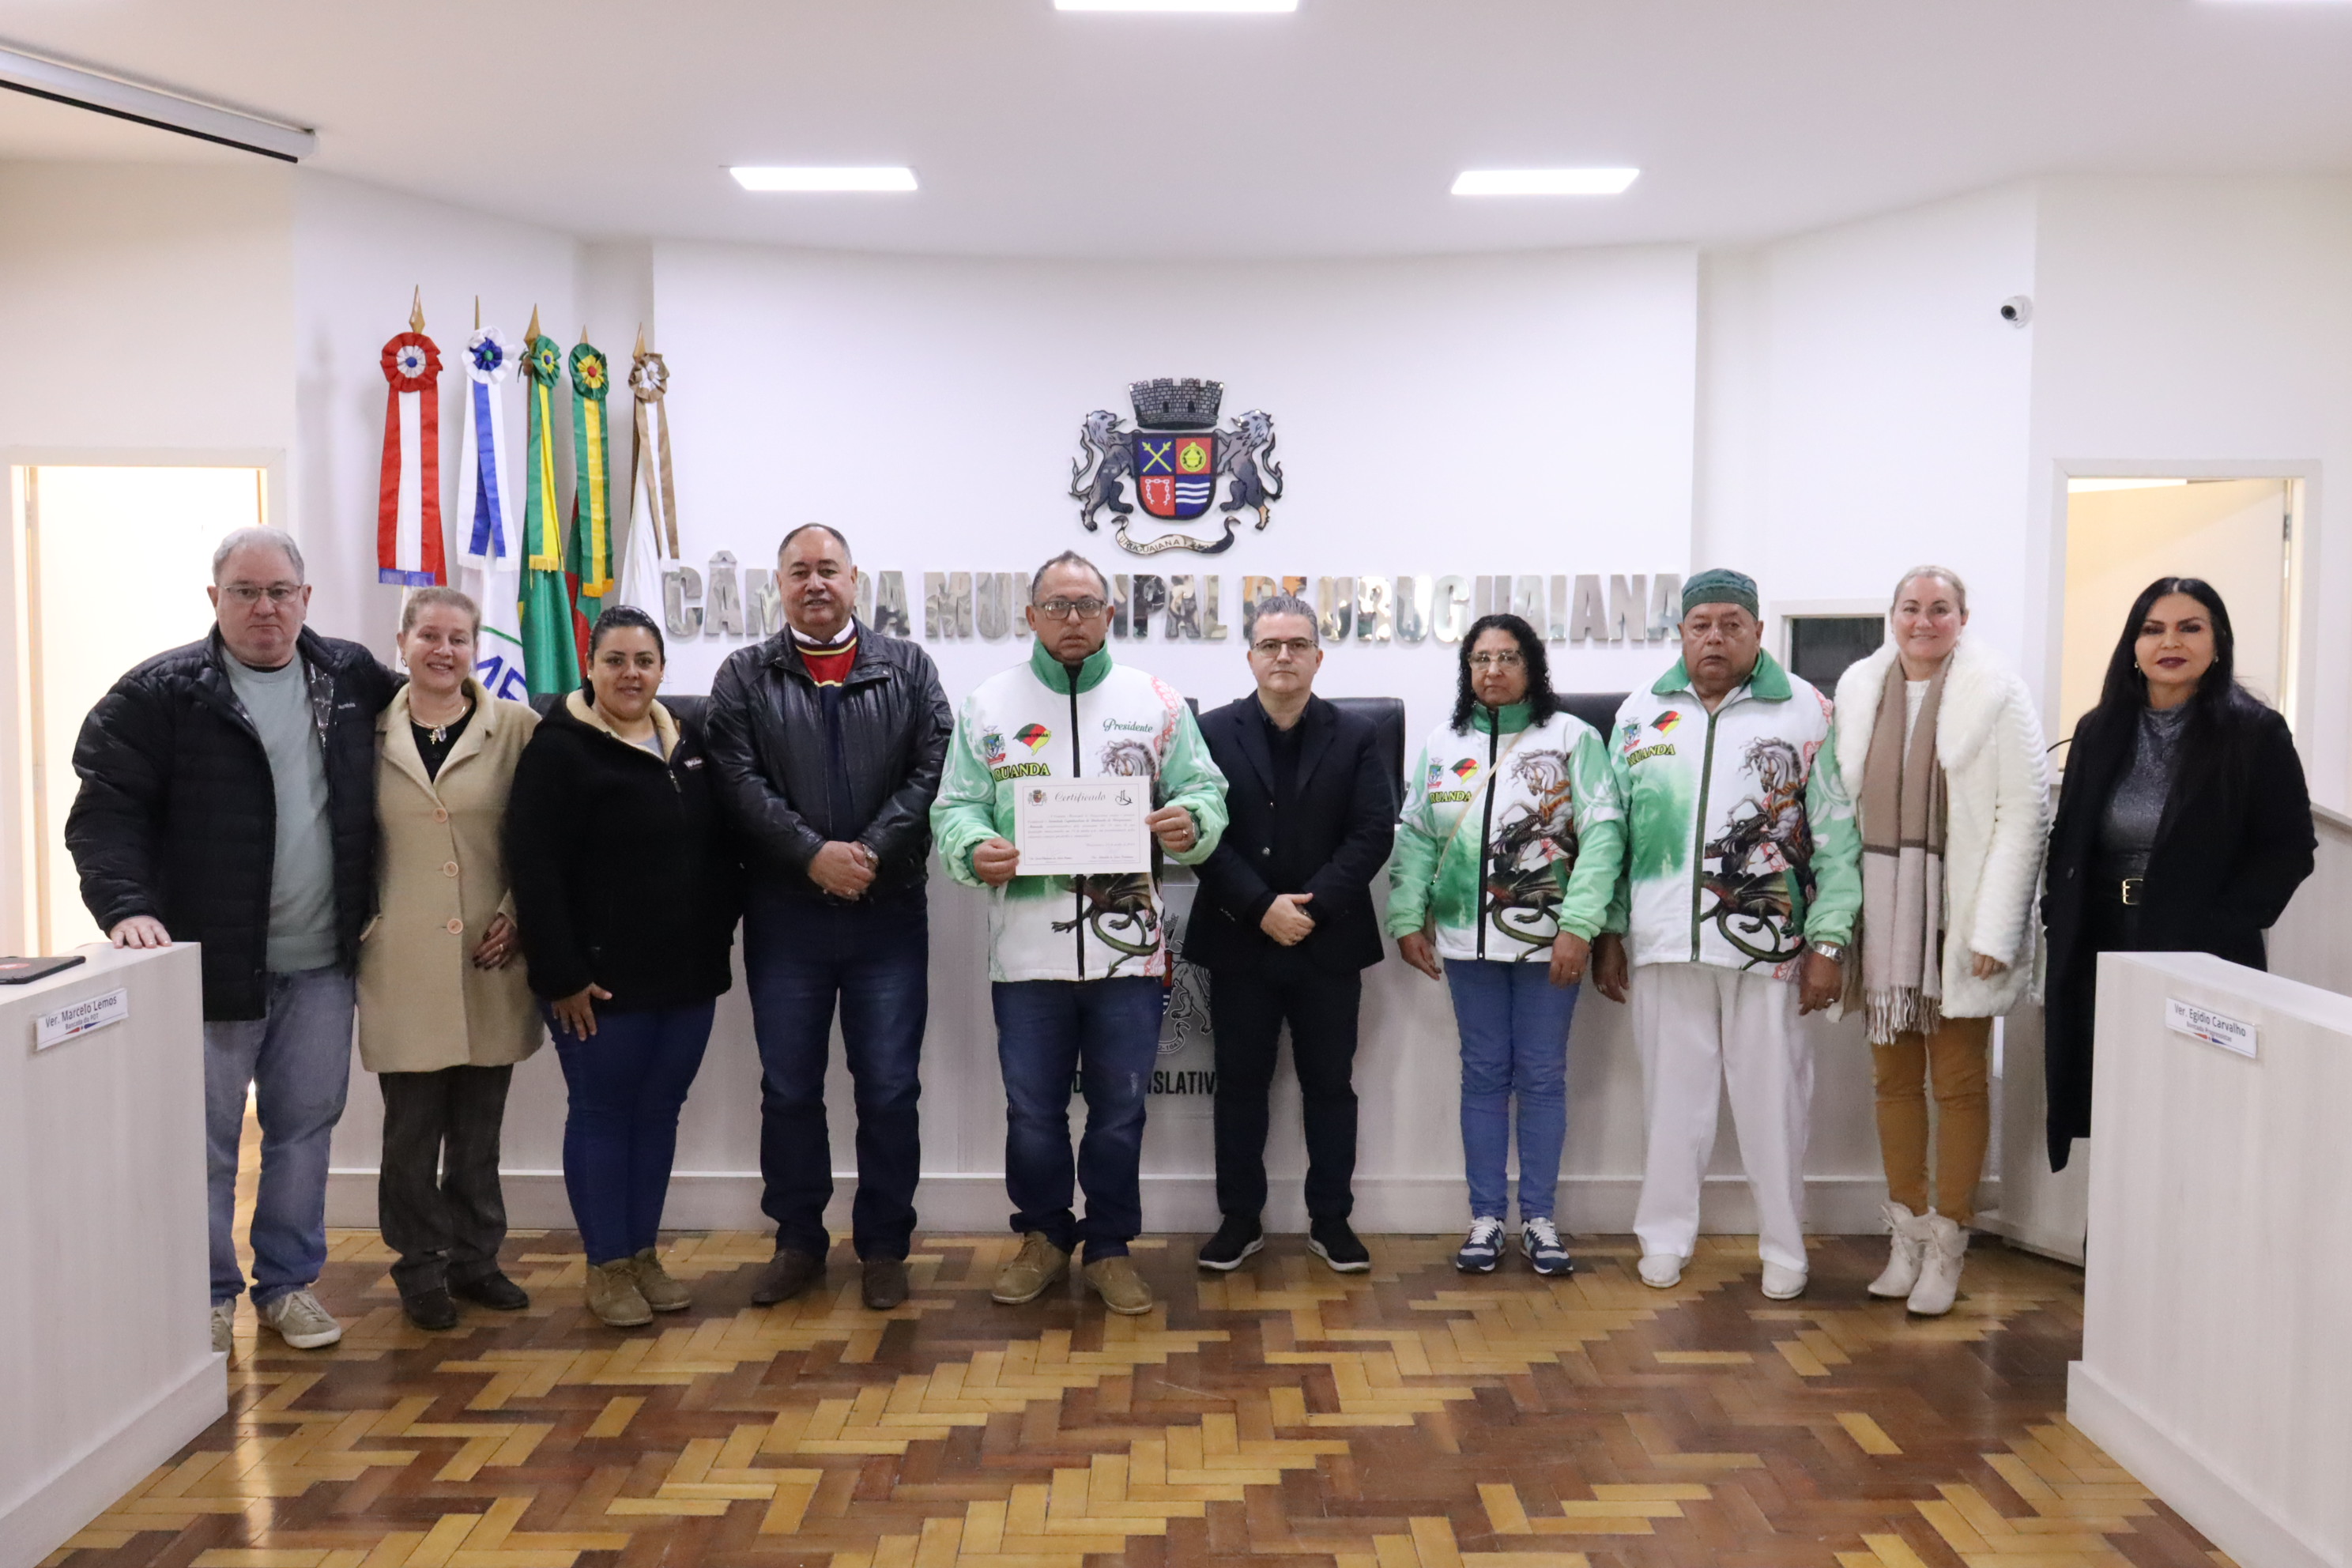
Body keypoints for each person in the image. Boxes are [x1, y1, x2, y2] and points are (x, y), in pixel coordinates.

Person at [66, 526, 396, 1355]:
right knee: (205, 1142)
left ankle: (287, 1285)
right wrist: (124, 906)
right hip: (209, 969)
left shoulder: (349, 676)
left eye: (280, 591)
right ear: (215, 598)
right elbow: (105, 813)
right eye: (245, 592)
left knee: (304, 1130)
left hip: (322, 965)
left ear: (306, 598)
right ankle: (207, 1294)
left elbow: (440, 716)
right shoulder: (159, 694)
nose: (264, 608)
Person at [930, 550, 1229, 1316]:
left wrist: (1191, 821)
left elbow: (1205, 789)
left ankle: (1110, 1247)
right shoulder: (989, 705)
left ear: (1109, 614)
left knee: (1120, 1111)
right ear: (1031, 616)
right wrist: (973, 847)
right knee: (1033, 1114)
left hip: (1129, 958)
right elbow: (955, 807)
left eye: (1087, 605)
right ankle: (1042, 1236)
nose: (1073, 619)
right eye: (1057, 606)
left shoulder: (1155, 702)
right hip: (1026, 956)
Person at [1590, 569, 1860, 1301]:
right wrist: (1611, 930)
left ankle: (1785, 1248)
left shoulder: (1808, 711)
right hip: (1663, 944)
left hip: (1771, 949)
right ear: (1681, 632)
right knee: (1671, 1109)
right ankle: (1664, 1238)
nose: (1715, 637)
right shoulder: (1641, 712)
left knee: (1775, 1108)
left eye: (1731, 624)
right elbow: (1615, 833)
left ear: (1758, 632)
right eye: (1701, 624)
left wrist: (1828, 943)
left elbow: (1838, 840)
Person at [706, 524, 953, 1313]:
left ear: (855, 580)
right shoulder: (744, 675)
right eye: (799, 571)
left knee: (890, 1089)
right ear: (778, 585)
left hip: (888, 915)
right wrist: (812, 854)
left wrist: (870, 850)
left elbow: (933, 768)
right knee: (788, 1089)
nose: (815, 583)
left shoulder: (909, 668)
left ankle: (884, 1246)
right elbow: (736, 780)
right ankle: (798, 1241)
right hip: (786, 917)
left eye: (828, 569)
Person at [507, 606, 741, 1329]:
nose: (630, 674)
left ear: (663, 669)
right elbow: (534, 870)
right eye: (615, 660)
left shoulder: (689, 743)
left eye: (644, 661)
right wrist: (562, 975)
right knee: (604, 1115)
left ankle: (642, 1254)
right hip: (597, 986)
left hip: (687, 979)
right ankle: (606, 1264)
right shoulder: (557, 750)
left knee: (658, 1114)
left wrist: (718, 936)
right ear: (591, 667)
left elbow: (720, 852)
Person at [1830, 567, 2049, 1317]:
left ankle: (1949, 1242)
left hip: (1959, 924)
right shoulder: (1861, 689)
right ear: (1891, 615)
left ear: (1963, 617)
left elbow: (2026, 815)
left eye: (1941, 609)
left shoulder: (1998, 692)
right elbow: (1841, 810)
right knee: (1891, 1084)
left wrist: (1997, 927)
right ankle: (1907, 1237)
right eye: (1911, 608)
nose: (1924, 621)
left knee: (1958, 1086)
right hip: (1885, 927)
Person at [2042, 577, 2313, 1172]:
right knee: (2113, 1102)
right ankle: (2116, 1230)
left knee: (2196, 1108)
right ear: (2133, 646)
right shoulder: (2098, 729)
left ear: (2218, 643)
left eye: (2190, 628)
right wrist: (2054, 917)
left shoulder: (2256, 733)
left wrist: (2222, 923)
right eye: (2153, 629)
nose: (2171, 642)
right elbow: (2068, 840)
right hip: (2100, 946)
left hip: (2202, 950)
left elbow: (2290, 849)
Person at [1388, 613, 1623, 1278]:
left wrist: (1580, 926)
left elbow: (1603, 837)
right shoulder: (1443, 744)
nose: (1493, 670)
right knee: (1484, 1075)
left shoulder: (1573, 739)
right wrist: (1406, 917)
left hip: (1552, 945)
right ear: (1467, 669)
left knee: (1543, 1076)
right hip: (1467, 943)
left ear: (1532, 666)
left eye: (1508, 657)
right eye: (1480, 659)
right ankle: (1487, 1218)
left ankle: (1541, 1219)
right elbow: (1417, 836)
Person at [1187, 595, 1395, 1275]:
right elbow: (1200, 835)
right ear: (1250, 656)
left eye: (1297, 645)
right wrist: (1260, 907)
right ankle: (1239, 1219)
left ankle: (1331, 1220)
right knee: (1239, 1086)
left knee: (1330, 1086)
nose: (1284, 656)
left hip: (1328, 942)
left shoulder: (1357, 734)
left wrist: (1311, 908)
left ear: (1318, 657)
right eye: (1271, 645)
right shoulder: (1209, 732)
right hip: (1238, 937)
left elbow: (1373, 832)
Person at [356, 587, 542, 1332]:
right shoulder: (365, 730)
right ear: (402, 642)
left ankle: (476, 1259)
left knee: (478, 1132)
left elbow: (545, 833)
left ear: (476, 648)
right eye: (429, 635)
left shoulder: (518, 728)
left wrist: (518, 914)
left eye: (458, 638)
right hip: (400, 958)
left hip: (490, 956)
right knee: (410, 1133)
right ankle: (420, 1267)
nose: (443, 650)